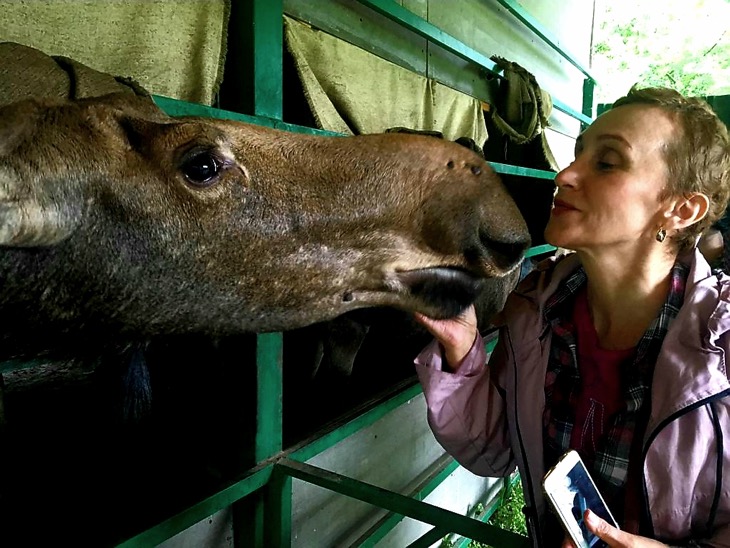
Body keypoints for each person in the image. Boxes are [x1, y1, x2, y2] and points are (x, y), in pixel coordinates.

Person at [413, 86, 730, 547]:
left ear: (682, 209)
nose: (564, 175)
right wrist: (462, 352)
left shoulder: (721, 349)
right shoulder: (537, 314)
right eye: (578, 154)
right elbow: (498, 449)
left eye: (607, 162)